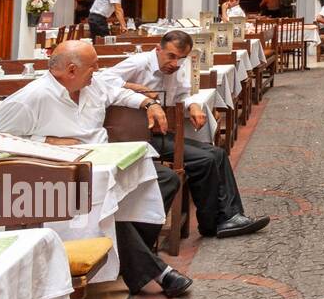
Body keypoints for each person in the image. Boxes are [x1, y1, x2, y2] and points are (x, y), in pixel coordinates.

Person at [0, 42, 193, 297]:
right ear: (72, 70)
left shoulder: (92, 85)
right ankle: (155, 272)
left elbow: (118, 93)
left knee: (163, 179)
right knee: (106, 208)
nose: (97, 70)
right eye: (93, 66)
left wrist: (147, 104)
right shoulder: (31, 98)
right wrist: (46, 141)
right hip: (60, 178)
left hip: (103, 160)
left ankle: (127, 255)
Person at [101, 31, 270, 239]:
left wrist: (194, 106)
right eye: (171, 56)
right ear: (158, 49)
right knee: (204, 160)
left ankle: (231, 216)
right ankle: (212, 223)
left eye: (180, 59)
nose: (175, 63)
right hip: (135, 136)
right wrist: (134, 88)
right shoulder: (139, 63)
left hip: (161, 133)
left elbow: (183, 95)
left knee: (217, 153)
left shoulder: (179, 68)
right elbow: (102, 80)